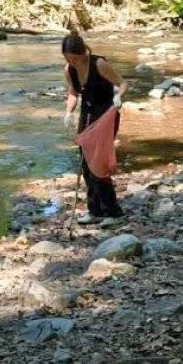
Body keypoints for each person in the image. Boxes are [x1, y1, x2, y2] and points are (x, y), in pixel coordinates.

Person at [61, 32, 128, 226]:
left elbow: (123, 83)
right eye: (68, 58)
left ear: (83, 52)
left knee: (98, 163)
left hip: (105, 115)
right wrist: (68, 112)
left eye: (75, 57)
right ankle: (95, 210)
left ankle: (113, 212)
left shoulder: (99, 64)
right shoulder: (69, 69)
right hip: (86, 115)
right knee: (85, 164)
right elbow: (73, 92)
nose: (72, 62)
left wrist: (118, 97)